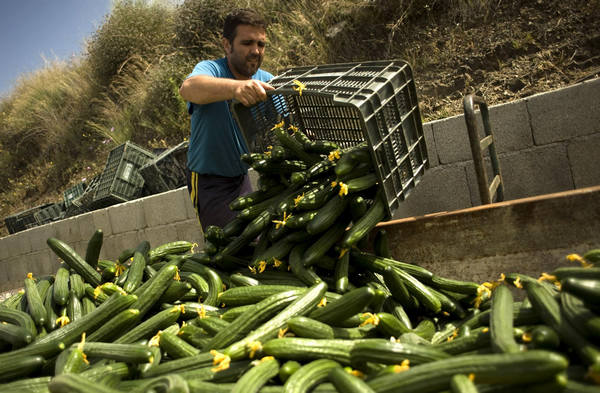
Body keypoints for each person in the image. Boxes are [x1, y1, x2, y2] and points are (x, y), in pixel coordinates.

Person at [179, 8, 274, 232]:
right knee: (228, 247)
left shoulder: (267, 81)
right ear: (227, 44)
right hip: (208, 181)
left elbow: (286, 126)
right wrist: (236, 88)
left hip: (241, 177)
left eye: (261, 45)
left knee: (256, 241)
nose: (255, 51)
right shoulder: (211, 69)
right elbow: (189, 88)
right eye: (247, 43)